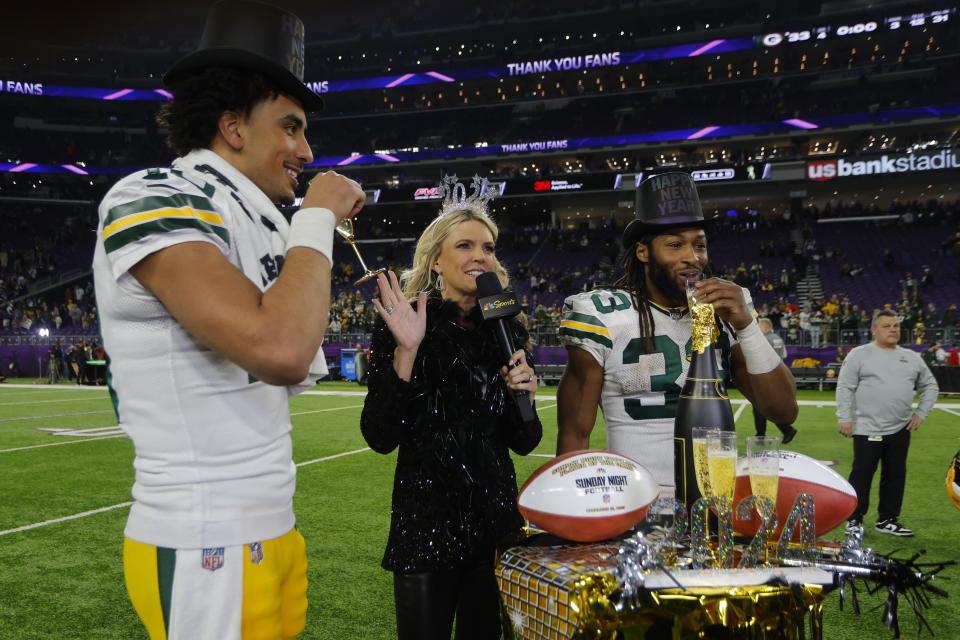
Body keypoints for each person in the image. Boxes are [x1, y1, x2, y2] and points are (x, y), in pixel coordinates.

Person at [92, 3, 364, 638]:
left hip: (269, 521)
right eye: (291, 128)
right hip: (203, 535)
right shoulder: (153, 194)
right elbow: (280, 348)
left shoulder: (261, 215)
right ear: (233, 127)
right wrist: (317, 219)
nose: (306, 149)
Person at [360, 177, 542, 640]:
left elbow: (526, 442)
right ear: (436, 260)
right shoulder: (403, 325)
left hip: (494, 528)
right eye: (465, 245)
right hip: (426, 525)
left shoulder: (507, 330)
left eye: (488, 246)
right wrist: (406, 350)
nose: (480, 256)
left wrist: (524, 393)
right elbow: (380, 437)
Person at [556, 172, 798, 497]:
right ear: (643, 253)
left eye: (700, 245)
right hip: (635, 501)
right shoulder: (602, 314)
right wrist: (573, 515)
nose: (692, 257)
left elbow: (783, 410)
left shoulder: (723, 311)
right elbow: (574, 433)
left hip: (716, 502)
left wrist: (746, 325)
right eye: (675, 245)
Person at [837, 309, 939, 537]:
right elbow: (845, 386)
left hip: (900, 428)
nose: (893, 329)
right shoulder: (859, 354)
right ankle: (854, 519)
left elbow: (930, 386)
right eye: (886, 325)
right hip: (866, 428)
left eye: (896, 325)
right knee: (862, 474)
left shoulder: (912, 357)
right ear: (874, 330)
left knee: (895, 474)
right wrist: (845, 417)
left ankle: (888, 519)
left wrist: (921, 413)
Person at [752, 317, 798, 443]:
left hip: (766, 376)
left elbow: (759, 356)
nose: (758, 329)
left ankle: (781, 431)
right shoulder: (778, 338)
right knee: (765, 406)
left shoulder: (764, 339)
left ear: (765, 327)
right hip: (779, 375)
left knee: (761, 406)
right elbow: (784, 355)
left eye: (760, 326)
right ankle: (765, 434)